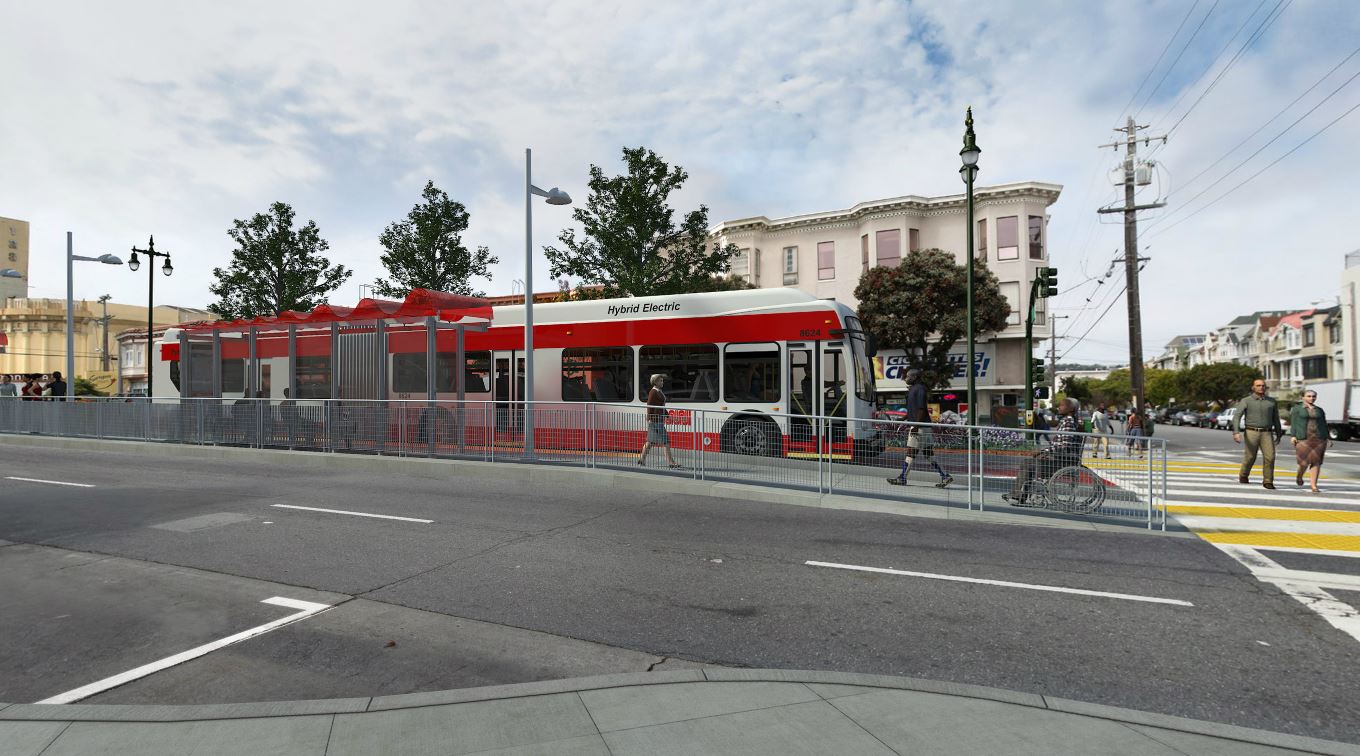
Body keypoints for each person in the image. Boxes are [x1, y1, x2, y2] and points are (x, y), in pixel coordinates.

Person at [1004, 397, 1084, 506]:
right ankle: (1019, 496)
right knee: (1028, 463)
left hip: (1061, 463)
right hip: (1062, 459)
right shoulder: (1070, 420)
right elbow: (1062, 445)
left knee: (1027, 463)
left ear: (1071, 409)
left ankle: (1018, 496)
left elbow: (1064, 445)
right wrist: (1048, 453)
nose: (1059, 407)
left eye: (1062, 405)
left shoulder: (1068, 421)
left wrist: (1043, 451)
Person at [886, 368, 953, 488]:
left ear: (915, 377)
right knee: (928, 453)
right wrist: (904, 418)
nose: (906, 378)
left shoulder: (920, 389)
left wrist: (916, 426)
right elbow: (916, 409)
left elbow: (922, 409)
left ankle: (902, 478)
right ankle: (945, 476)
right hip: (923, 426)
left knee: (911, 452)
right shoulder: (915, 389)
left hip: (919, 427)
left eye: (908, 376)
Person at [1232, 378, 1282, 490]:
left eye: (1263, 385)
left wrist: (1279, 434)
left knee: (1270, 457)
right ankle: (1243, 475)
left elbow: (1276, 419)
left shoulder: (1271, 401)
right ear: (1253, 387)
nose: (1261, 387)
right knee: (1250, 457)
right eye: (1258, 385)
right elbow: (1237, 417)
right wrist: (1236, 432)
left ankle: (1268, 481)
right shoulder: (1246, 400)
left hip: (1267, 433)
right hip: (1251, 432)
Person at [1290, 389, 1332, 493]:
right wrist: (1293, 435)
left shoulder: (1319, 410)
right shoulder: (1297, 409)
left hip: (1319, 439)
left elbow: (1324, 424)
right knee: (1303, 463)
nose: (1311, 398)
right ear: (1303, 397)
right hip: (1303, 438)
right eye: (1309, 396)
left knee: (1316, 462)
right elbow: (1293, 422)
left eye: (1313, 396)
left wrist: (1327, 438)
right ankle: (1299, 476)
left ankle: (1314, 485)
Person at [638, 373, 680, 468]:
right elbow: (649, 405)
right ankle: (671, 462)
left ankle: (641, 459)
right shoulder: (653, 392)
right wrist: (650, 419)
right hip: (656, 420)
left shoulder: (658, 391)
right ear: (655, 382)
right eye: (660, 380)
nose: (662, 382)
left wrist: (668, 416)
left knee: (650, 442)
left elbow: (661, 406)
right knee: (666, 441)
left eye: (662, 380)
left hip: (657, 419)